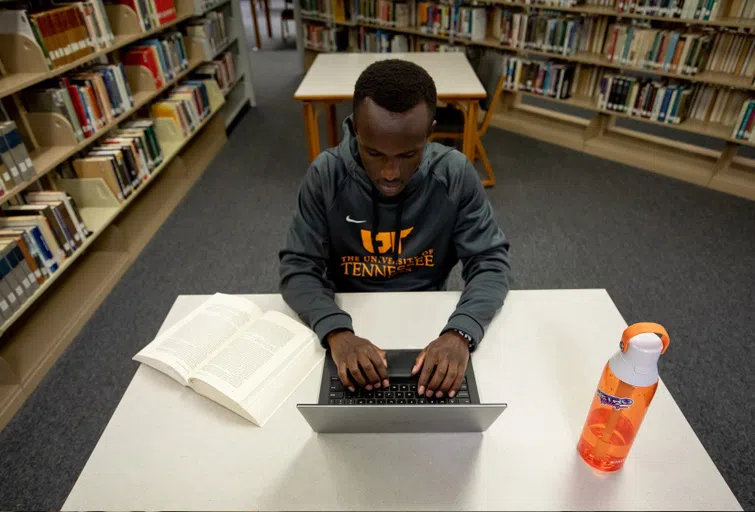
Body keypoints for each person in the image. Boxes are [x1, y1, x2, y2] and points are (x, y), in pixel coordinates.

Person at [279, 59, 512, 400]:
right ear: (355, 129)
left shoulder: (455, 175)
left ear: (428, 131)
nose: (390, 173)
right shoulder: (326, 175)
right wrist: (336, 331)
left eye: (408, 154)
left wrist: (461, 332)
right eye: (373, 153)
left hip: (429, 317)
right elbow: (298, 267)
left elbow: (491, 262)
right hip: (348, 315)